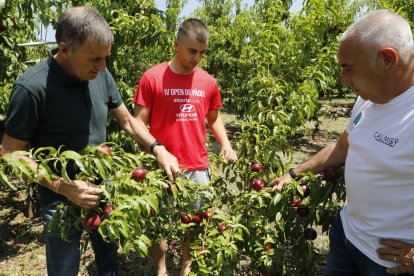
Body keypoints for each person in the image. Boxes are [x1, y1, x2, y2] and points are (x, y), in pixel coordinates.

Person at [1, 6, 164, 276]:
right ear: (64, 49)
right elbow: (10, 153)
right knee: (64, 268)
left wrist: (158, 148)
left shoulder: (101, 74)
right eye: (94, 59)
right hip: (60, 198)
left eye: (106, 58)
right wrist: (64, 187)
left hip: (103, 188)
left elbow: (127, 122)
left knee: (109, 259)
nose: (103, 67)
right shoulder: (31, 88)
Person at [269, 9, 414, 276]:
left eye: (349, 69)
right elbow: (343, 147)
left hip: (387, 264)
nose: (343, 81)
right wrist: (294, 173)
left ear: (387, 59)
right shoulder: (367, 99)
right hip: (346, 235)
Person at [133, 18, 237, 276]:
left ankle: (186, 268)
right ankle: (161, 269)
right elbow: (138, 124)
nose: (197, 58)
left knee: (194, 223)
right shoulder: (153, 77)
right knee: (158, 223)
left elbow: (214, 118)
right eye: (192, 51)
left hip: (197, 165)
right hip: (161, 167)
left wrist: (226, 144)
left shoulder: (208, 82)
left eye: (202, 52)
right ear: (176, 45)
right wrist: (155, 153)